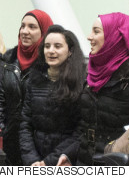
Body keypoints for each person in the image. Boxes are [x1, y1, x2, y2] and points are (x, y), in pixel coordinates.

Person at [57, 13, 129, 166]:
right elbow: (89, 128)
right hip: (84, 161)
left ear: (117, 38)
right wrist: (70, 153)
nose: (89, 37)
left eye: (96, 31)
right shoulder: (95, 75)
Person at [19, 25, 86, 166]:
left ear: (70, 51)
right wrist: (32, 160)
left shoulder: (81, 82)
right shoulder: (34, 80)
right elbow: (25, 124)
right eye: (47, 46)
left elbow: (80, 130)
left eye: (58, 46)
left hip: (64, 160)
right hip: (34, 161)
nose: (51, 51)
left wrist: (48, 162)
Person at [0, 9, 53, 165]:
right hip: (9, 142)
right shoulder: (9, 59)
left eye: (32, 27)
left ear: (44, 32)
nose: (25, 31)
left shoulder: (50, 64)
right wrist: (2, 131)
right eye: (23, 26)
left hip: (38, 146)